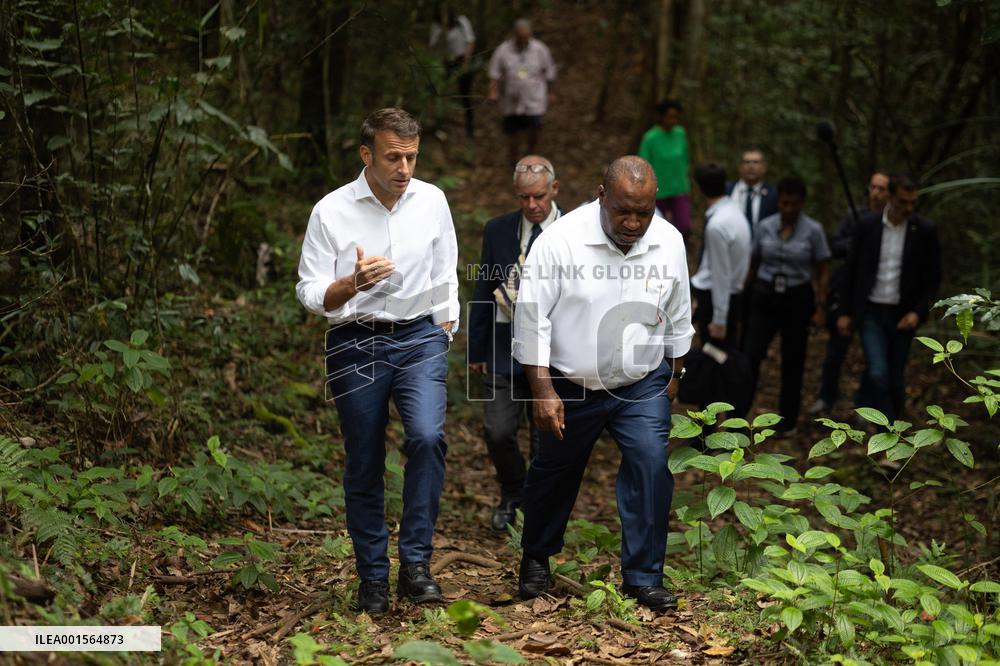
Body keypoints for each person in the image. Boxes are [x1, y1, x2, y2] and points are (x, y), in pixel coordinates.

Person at [295, 108, 460, 616]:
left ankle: (416, 565)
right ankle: (372, 575)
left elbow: (445, 270)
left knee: (427, 438)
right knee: (364, 458)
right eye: (393, 157)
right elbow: (309, 290)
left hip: (419, 338)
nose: (404, 168)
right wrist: (352, 283)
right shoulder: (330, 211)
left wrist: (445, 326)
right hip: (354, 341)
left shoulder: (432, 200)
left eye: (412, 157)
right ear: (367, 155)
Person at [512, 156, 694, 612]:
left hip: (640, 383)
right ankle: (536, 556)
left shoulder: (669, 241)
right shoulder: (560, 242)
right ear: (601, 196)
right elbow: (531, 320)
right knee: (554, 473)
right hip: (570, 383)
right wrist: (543, 391)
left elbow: (679, 311)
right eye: (622, 211)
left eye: (643, 213)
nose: (633, 223)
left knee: (651, 465)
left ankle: (644, 577)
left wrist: (676, 372)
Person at [468, 155, 562, 534]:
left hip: (555, 351)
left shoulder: (572, 230)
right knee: (498, 430)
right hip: (504, 346)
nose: (532, 205)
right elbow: (483, 288)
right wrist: (476, 349)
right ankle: (512, 492)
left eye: (539, 196)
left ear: (554, 189)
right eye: (524, 197)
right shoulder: (498, 229)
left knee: (545, 435)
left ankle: (537, 507)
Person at [837, 174, 941, 422]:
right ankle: (887, 429)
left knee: (895, 377)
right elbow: (851, 270)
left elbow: (933, 278)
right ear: (890, 197)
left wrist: (917, 312)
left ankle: (875, 412)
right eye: (903, 202)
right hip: (871, 312)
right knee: (878, 372)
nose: (908, 208)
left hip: (902, 315)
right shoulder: (867, 225)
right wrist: (844, 312)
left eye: (913, 203)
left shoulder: (924, 230)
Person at [743, 176, 830, 434]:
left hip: (797, 298)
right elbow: (754, 262)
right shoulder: (765, 227)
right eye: (783, 203)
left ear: (801, 203)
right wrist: (743, 296)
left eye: (793, 204)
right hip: (765, 295)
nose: (788, 208)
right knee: (751, 355)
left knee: (793, 359)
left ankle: (787, 421)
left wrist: (820, 307)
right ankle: (739, 415)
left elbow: (822, 270)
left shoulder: (813, 230)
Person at [810, 171, 889, 415]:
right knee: (835, 352)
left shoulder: (892, 224)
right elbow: (835, 246)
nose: (876, 193)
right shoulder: (854, 217)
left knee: (873, 357)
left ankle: (865, 404)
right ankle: (826, 397)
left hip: (874, 298)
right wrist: (857, 241)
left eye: (882, 189)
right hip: (845, 293)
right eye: (873, 187)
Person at [690, 161, 751, 348]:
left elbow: (720, 275)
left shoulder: (717, 225)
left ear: (700, 189)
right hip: (724, 297)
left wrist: (719, 320)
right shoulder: (734, 211)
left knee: (716, 356)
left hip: (717, 300)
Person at [488, 19, 557, 167]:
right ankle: (513, 161)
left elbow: (550, 71)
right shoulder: (503, 50)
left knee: (535, 128)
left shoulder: (540, 49)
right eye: (520, 37)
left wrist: (551, 92)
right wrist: (493, 91)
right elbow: (494, 73)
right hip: (511, 100)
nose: (524, 40)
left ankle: (531, 156)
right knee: (513, 133)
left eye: (526, 37)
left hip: (534, 99)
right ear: (515, 35)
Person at [638, 99, 692, 242]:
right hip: (657, 191)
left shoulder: (680, 133)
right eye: (670, 116)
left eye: (676, 117)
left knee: (684, 226)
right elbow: (643, 165)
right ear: (662, 116)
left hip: (679, 188)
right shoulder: (650, 138)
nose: (673, 120)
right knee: (655, 229)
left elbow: (686, 159)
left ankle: (681, 249)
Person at [430, 6, 477, 138]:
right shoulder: (436, 27)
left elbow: (470, 41)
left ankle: (469, 128)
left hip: (462, 60)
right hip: (445, 63)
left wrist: (465, 63)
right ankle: (440, 126)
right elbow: (433, 46)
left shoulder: (462, 21)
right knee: (441, 94)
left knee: (465, 95)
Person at [726, 148, 778, 236]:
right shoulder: (727, 190)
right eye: (747, 162)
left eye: (756, 162)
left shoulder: (773, 194)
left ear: (764, 167)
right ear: (740, 167)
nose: (751, 166)